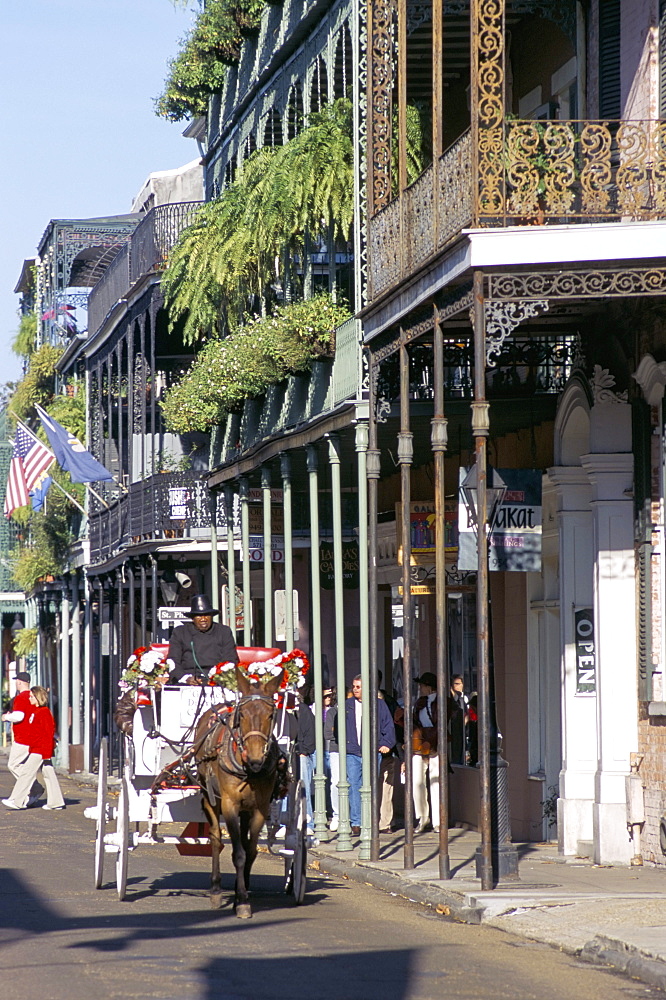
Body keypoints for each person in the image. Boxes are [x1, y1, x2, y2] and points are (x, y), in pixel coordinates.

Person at [337, 674, 395, 837]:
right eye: (353, 686)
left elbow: (388, 726)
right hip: (352, 753)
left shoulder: (379, 705)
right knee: (354, 785)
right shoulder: (347, 705)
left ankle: (368, 819)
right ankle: (356, 822)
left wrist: (385, 744)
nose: (354, 689)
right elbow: (337, 726)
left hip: (371, 751)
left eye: (358, 687)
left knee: (369, 786)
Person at [3, 687, 64, 811]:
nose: (29, 698)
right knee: (48, 774)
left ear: (37, 698)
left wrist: (45, 752)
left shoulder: (43, 713)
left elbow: (47, 734)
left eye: (31, 696)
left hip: (40, 749)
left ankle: (17, 801)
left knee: (26, 773)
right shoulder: (38, 712)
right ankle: (56, 802)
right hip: (39, 748)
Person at [167, 594, 238, 684]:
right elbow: (173, 660)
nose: (203, 619)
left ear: (211, 616)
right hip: (187, 679)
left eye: (206, 615)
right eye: (199, 616)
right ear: (192, 618)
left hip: (217, 680)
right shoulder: (180, 632)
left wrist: (217, 676)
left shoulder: (224, 631)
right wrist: (186, 678)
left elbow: (230, 659)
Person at [1, 671, 43, 805]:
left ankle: (33, 788)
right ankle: (33, 788)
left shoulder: (21, 698)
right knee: (23, 765)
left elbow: (19, 716)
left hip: (23, 737)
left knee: (14, 764)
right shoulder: (33, 697)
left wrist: (6, 717)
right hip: (33, 736)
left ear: (19, 682)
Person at [412, 671, 440, 833]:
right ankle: (423, 816)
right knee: (417, 782)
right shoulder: (420, 703)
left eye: (423, 686)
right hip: (420, 743)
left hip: (435, 742)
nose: (421, 688)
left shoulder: (440, 702)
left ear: (429, 687)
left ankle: (437, 820)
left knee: (436, 782)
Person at [322, 688, 340, 831]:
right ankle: (337, 815)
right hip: (336, 750)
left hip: (353, 751)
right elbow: (328, 733)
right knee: (335, 782)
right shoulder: (332, 712)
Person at [449, 674, 468, 765]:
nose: (455, 686)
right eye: (453, 684)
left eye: (457, 683)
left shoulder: (463, 699)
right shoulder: (453, 699)